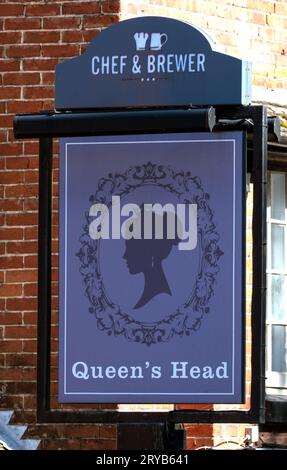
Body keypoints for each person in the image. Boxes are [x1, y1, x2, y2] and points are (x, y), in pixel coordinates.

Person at [123, 206, 179, 309]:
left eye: (131, 249)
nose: (125, 256)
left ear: (150, 252)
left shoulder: (162, 300)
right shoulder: (155, 294)